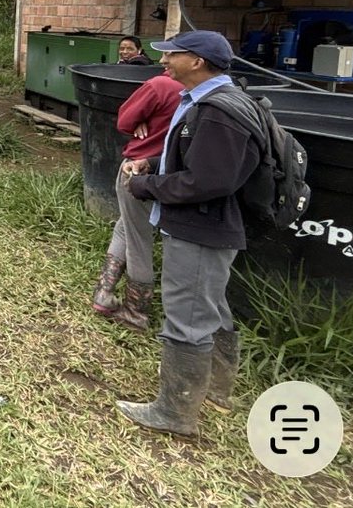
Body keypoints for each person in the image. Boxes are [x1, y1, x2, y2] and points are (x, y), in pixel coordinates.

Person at [117, 30, 258, 437]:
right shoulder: (213, 101)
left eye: (172, 55)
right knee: (210, 305)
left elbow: (207, 181)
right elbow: (197, 157)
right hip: (212, 226)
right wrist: (153, 162)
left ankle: (175, 413)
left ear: (197, 62)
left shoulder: (218, 112)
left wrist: (147, 186)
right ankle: (216, 390)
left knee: (188, 316)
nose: (163, 61)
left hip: (201, 226)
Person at [91, 71, 183, 330]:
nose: (164, 60)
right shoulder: (202, 95)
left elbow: (124, 119)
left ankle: (135, 312)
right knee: (127, 226)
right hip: (174, 173)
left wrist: (139, 122)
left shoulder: (161, 85)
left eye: (171, 55)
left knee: (137, 238)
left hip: (140, 168)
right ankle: (104, 294)